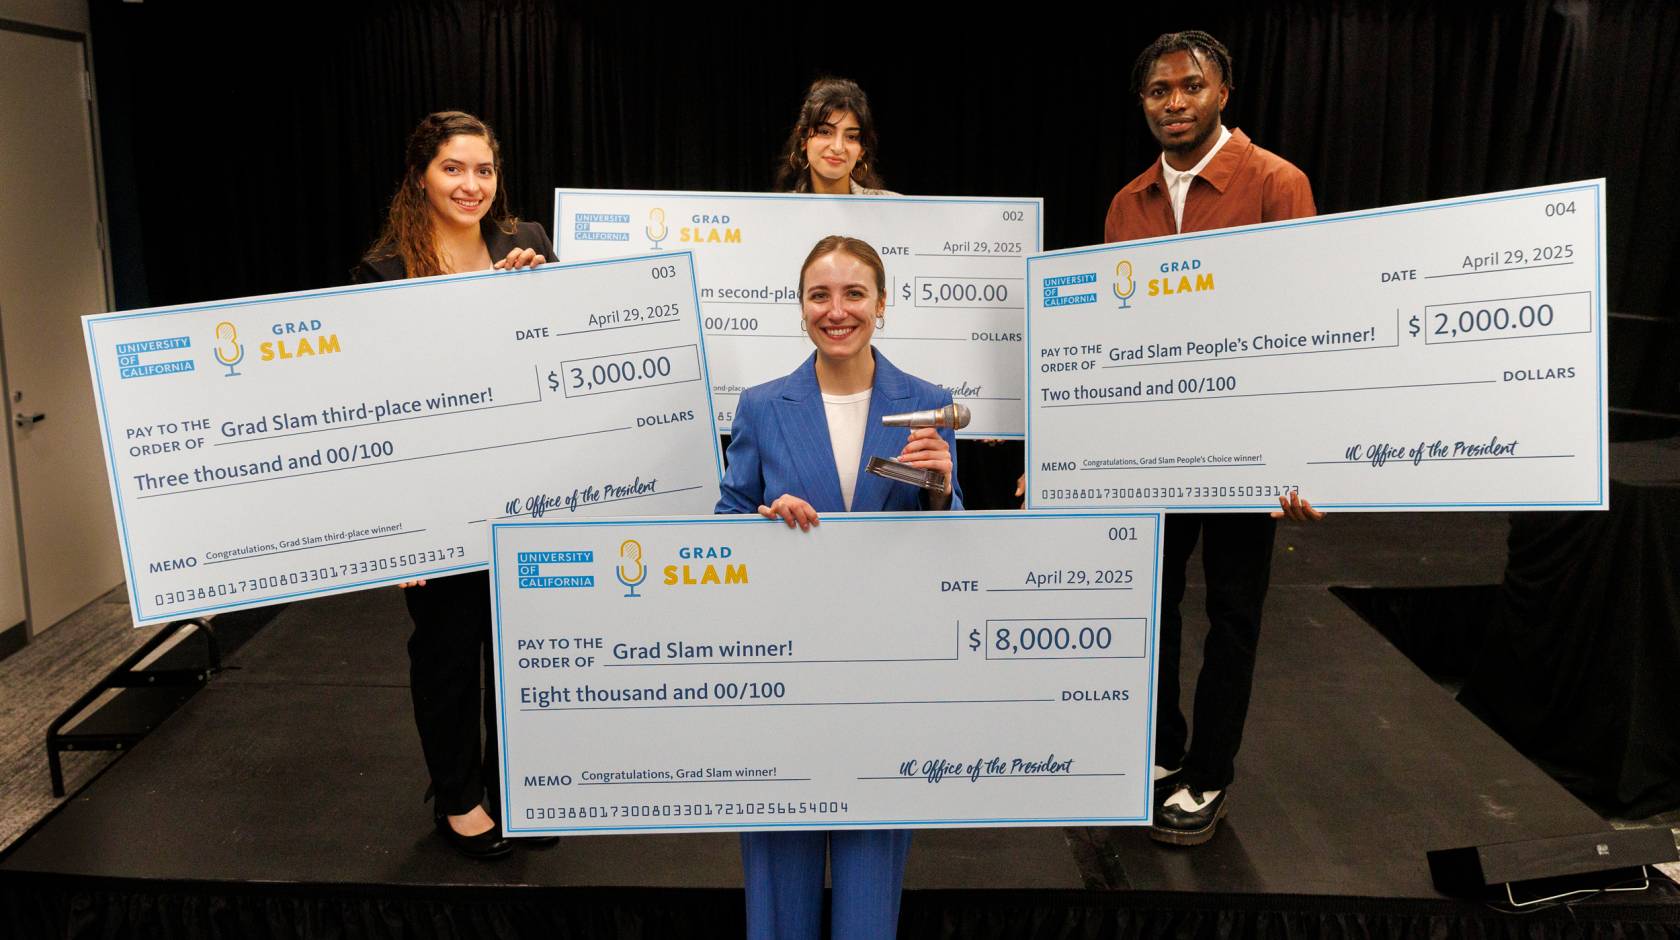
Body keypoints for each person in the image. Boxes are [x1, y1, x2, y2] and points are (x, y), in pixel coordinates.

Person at [1107, 31, 1322, 845]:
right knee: (1151, 603)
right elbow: (1109, 340)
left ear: (1222, 91)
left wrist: (1293, 454)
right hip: (1153, 450)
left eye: (1189, 87)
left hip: (1243, 445)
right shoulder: (1128, 202)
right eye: (1158, 92)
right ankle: (1160, 753)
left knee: (1233, 611)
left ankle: (1209, 772)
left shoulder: (1276, 183)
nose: (1174, 103)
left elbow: (1303, 322)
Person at [717, 235, 962, 938]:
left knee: (867, 896)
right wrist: (765, 523)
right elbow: (724, 522)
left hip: (888, 678)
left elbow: (961, 539)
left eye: (854, 293)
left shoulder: (930, 403)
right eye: (819, 295)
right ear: (800, 308)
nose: (837, 310)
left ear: (882, 304)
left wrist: (942, 489)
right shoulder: (763, 406)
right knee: (778, 893)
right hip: (782, 675)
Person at [353, 110, 557, 860]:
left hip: (527, 488)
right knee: (445, 651)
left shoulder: (527, 245)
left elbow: (559, 358)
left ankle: (520, 790)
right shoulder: (385, 271)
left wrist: (546, 291)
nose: (471, 185)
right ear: (421, 177)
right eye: (453, 169)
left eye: (483, 170)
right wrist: (399, 532)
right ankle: (460, 800)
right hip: (438, 499)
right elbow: (374, 407)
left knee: (524, 646)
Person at [773, 77, 894, 195]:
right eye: (825, 132)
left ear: (862, 150)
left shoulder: (893, 208)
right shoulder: (780, 210)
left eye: (851, 137)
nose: (838, 148)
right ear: (803, 140)